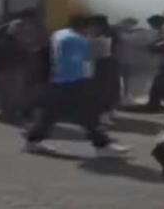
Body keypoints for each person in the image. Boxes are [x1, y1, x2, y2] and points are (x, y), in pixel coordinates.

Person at [23, 15, 130, 158]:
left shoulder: (59, 34)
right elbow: (84, 61)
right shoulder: (77, 40)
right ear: (85, 27)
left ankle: (33, 141)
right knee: (87, 115)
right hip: (73, 82)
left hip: (57, 81)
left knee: (50, 114)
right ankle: (102, 145)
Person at [90, 14, 122, 123]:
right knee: (109, 88)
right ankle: (108, 111)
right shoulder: (112, 33)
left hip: (104, 63)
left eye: (93, 25)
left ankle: (105, 113)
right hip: (109, 63)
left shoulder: (106, 34)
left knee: (104, 89)